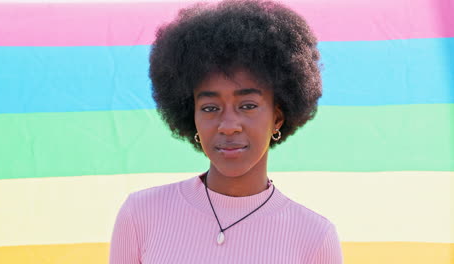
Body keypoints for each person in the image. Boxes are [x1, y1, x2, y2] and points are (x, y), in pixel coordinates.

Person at [109, 0, 343, 263]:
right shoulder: (140, 215)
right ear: (191, 115)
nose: (229, 125)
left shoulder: (314, 237)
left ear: (277, 117)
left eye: (248, 105)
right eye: (210, 108)